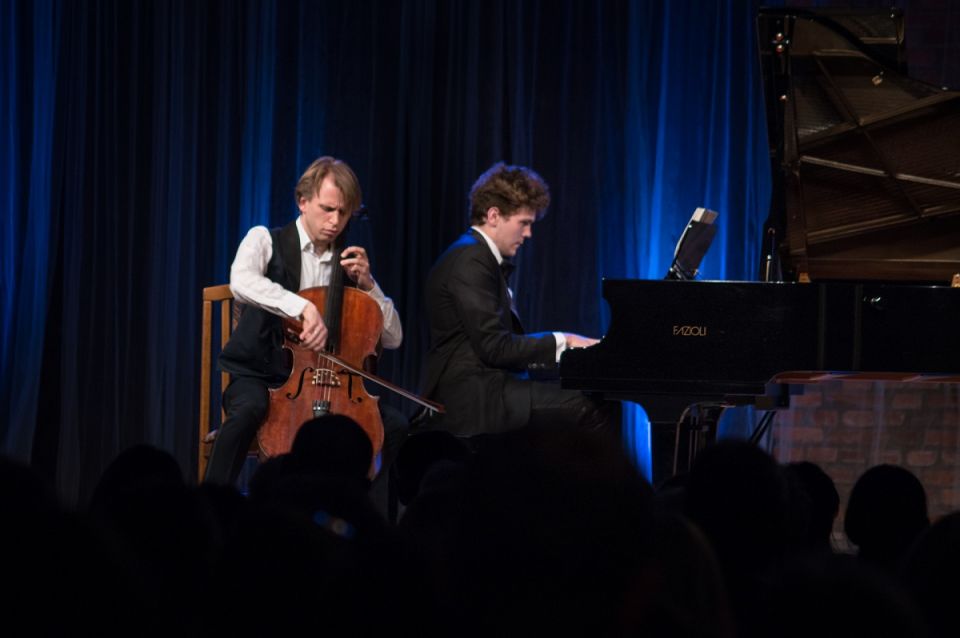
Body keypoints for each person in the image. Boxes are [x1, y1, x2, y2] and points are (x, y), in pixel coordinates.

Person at [205, 156, 406, 515]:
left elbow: (392, 338)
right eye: (327, 209)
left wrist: (369, 286)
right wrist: (301, 307)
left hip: (329, 383)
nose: (335, 222)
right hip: (261, 375)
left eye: (344, 213)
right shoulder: (265, 240)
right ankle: (208, 511)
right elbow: (242, 280)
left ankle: (365, 520)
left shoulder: (348, 264)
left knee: (395, 425)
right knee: (247, 410)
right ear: (303, 201)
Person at [420, 161, 619, 439]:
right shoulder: (471, 259)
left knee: (593, 398)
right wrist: (567, 341)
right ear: (493, 216)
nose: (528, 234)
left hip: (489, 385)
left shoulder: (478, 257)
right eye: (523, 223)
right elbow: (495, 347)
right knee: (587, 407)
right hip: (475, 397)